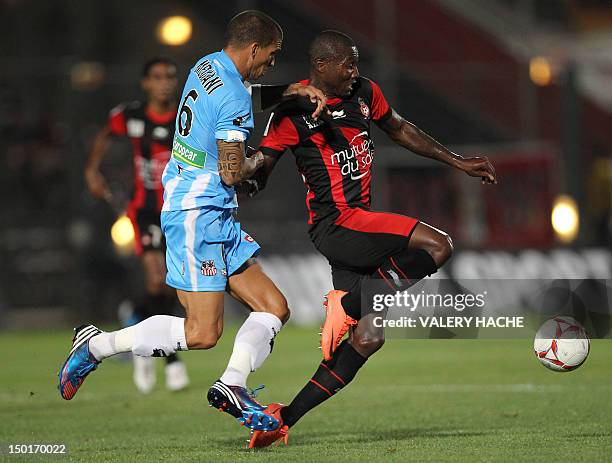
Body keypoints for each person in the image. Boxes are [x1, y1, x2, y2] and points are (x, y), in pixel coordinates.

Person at [59, 11, 327, 433]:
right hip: (195, 213)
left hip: (214, 211)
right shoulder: (235, 95)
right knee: (203, 333)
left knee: (274, 307)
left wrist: (284, 93)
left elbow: (233, 99)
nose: (271, 63)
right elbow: (231, 172)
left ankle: (232, 386)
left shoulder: (207, 65)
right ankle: (95, 345)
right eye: (271, 56)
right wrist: (268, 155)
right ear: (255, 48)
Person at [246, 30, 497, 447]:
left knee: (368, 338)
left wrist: (456, 161)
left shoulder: (364, 92)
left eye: (356, 63)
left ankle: (282, 418)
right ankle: (347, 304)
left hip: (358, 228)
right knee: (439, 246)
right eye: (348, 64)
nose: (355, 71)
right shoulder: (291, 112)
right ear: (322, 66)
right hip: (338, 223)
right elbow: (263, 167)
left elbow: (400, 129)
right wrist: (243, 175)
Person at [84, 57, 189, 394]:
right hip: (144, 210)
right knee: (157, 280)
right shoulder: (130, 116)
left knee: (173, 287)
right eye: (157, 77)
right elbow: (104, 136)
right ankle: (170, 361)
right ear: (145, 83)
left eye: (169, 76)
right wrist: (92, 170)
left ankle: (136, 320)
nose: (164, 83)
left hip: (180, 210)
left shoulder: (185, 117)